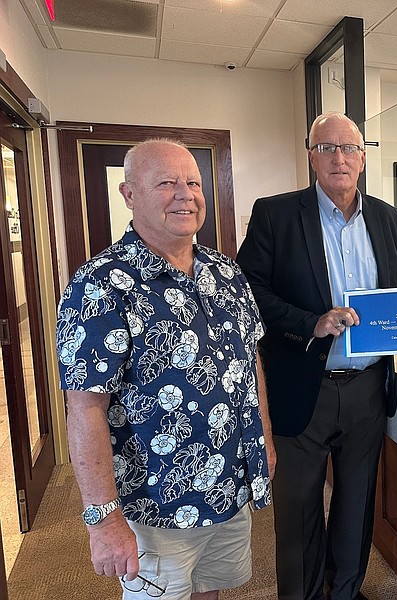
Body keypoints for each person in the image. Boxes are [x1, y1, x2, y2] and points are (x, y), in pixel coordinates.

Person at [56, 139, 276, 600]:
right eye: (167, 183)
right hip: (156, 504)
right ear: (129, 194)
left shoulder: (226, 273)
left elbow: (250, 360)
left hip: (229, 486)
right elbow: (85, 407)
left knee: (210, 591)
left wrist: (265, 442)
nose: (186, 194)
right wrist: (103, 517)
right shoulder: (100, 285)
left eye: (193, 182)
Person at [237, 112, 397, 600]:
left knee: (356, 503)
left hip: (367, 390)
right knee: (299, 506)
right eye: (327, 148)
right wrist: (311, 322)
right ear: (310, 156)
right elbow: (247, 293)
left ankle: (345, 591)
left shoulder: (388, 218)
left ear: (363, 158)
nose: (339, 158)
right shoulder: (276, 214)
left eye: (349, 149)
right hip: (303, 384)